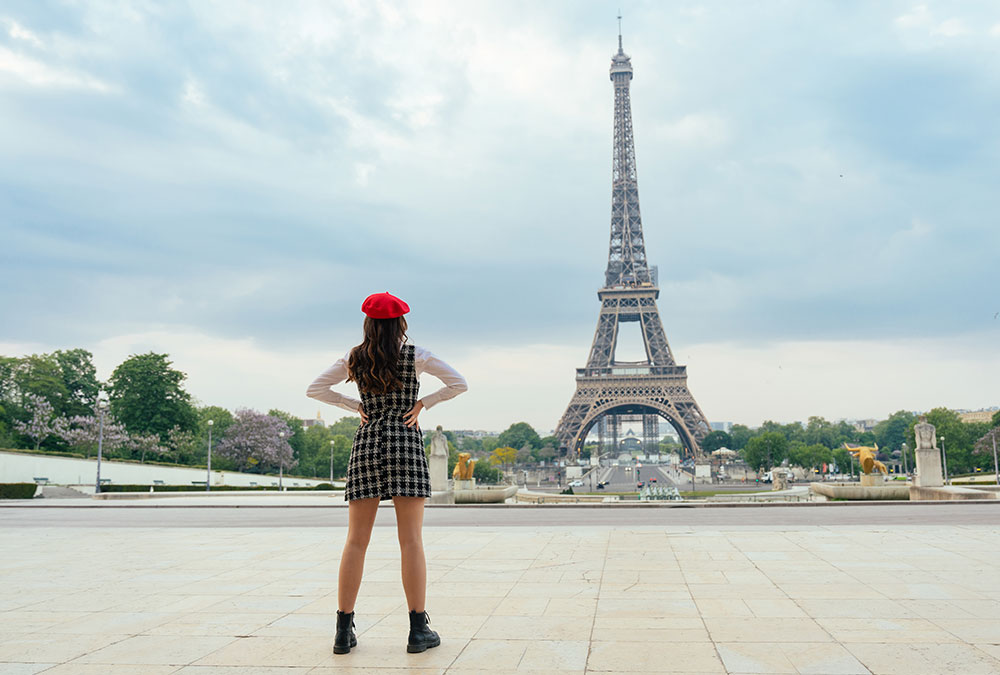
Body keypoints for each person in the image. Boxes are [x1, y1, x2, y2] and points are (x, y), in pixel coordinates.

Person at [306, 291, 467, 655]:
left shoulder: (354, 357)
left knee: (355, 541)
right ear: (401, 323)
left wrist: (353, 405)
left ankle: (343, 631)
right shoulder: (417, 355)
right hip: (405, 440)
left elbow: (315, 388)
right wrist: (423, 403)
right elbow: (459, 383)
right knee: (410, 540)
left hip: (367, 441)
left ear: (367, 323)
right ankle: (417, 630)